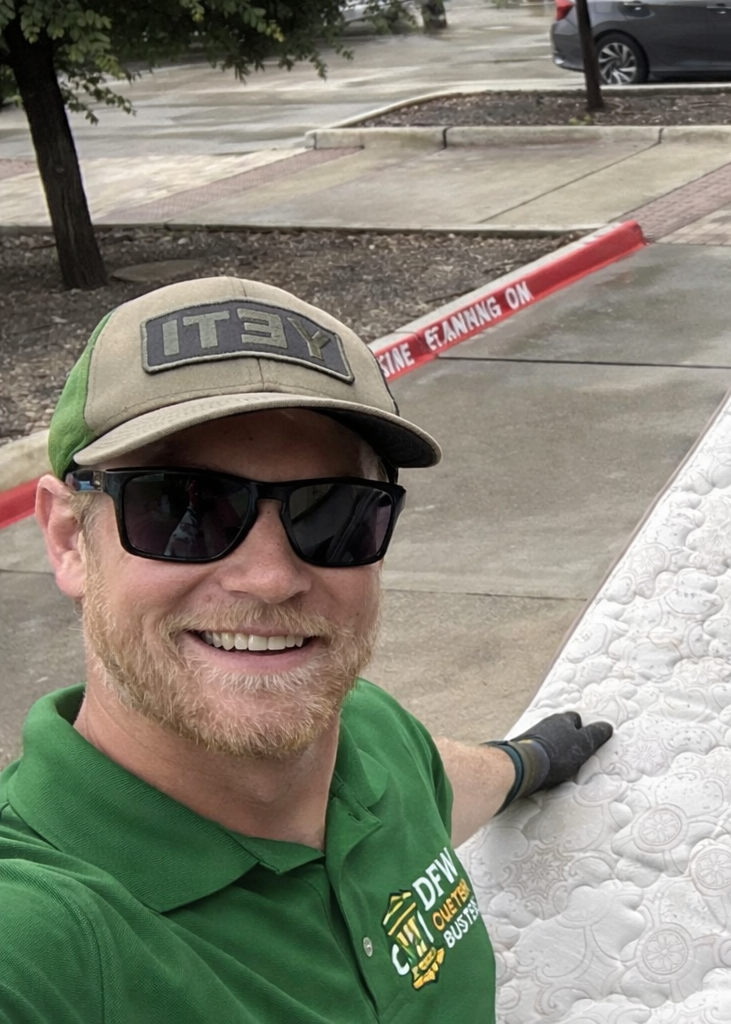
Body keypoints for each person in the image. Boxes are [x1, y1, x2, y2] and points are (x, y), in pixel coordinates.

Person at [0, 277, 614, 1022]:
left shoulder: (369, 734)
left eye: (333, 512)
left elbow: (438, 782)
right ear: (69, 540)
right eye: (183, 509)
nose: (270, 578)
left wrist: (531, 761)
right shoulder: (39, 941)